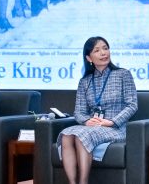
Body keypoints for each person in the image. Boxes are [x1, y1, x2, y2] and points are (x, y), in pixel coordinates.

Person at [58, 37, 137, 184]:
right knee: (66, 135)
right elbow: (79, 112)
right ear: (89, 58)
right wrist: (87, 121)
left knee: (81, 135)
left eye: (105, 48)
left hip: (116, 128)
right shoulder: (85, 81)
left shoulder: (123, 74)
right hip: (93, 126)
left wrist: (111, 121)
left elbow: (132, 105)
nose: (103, 53)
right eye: (97, 50)